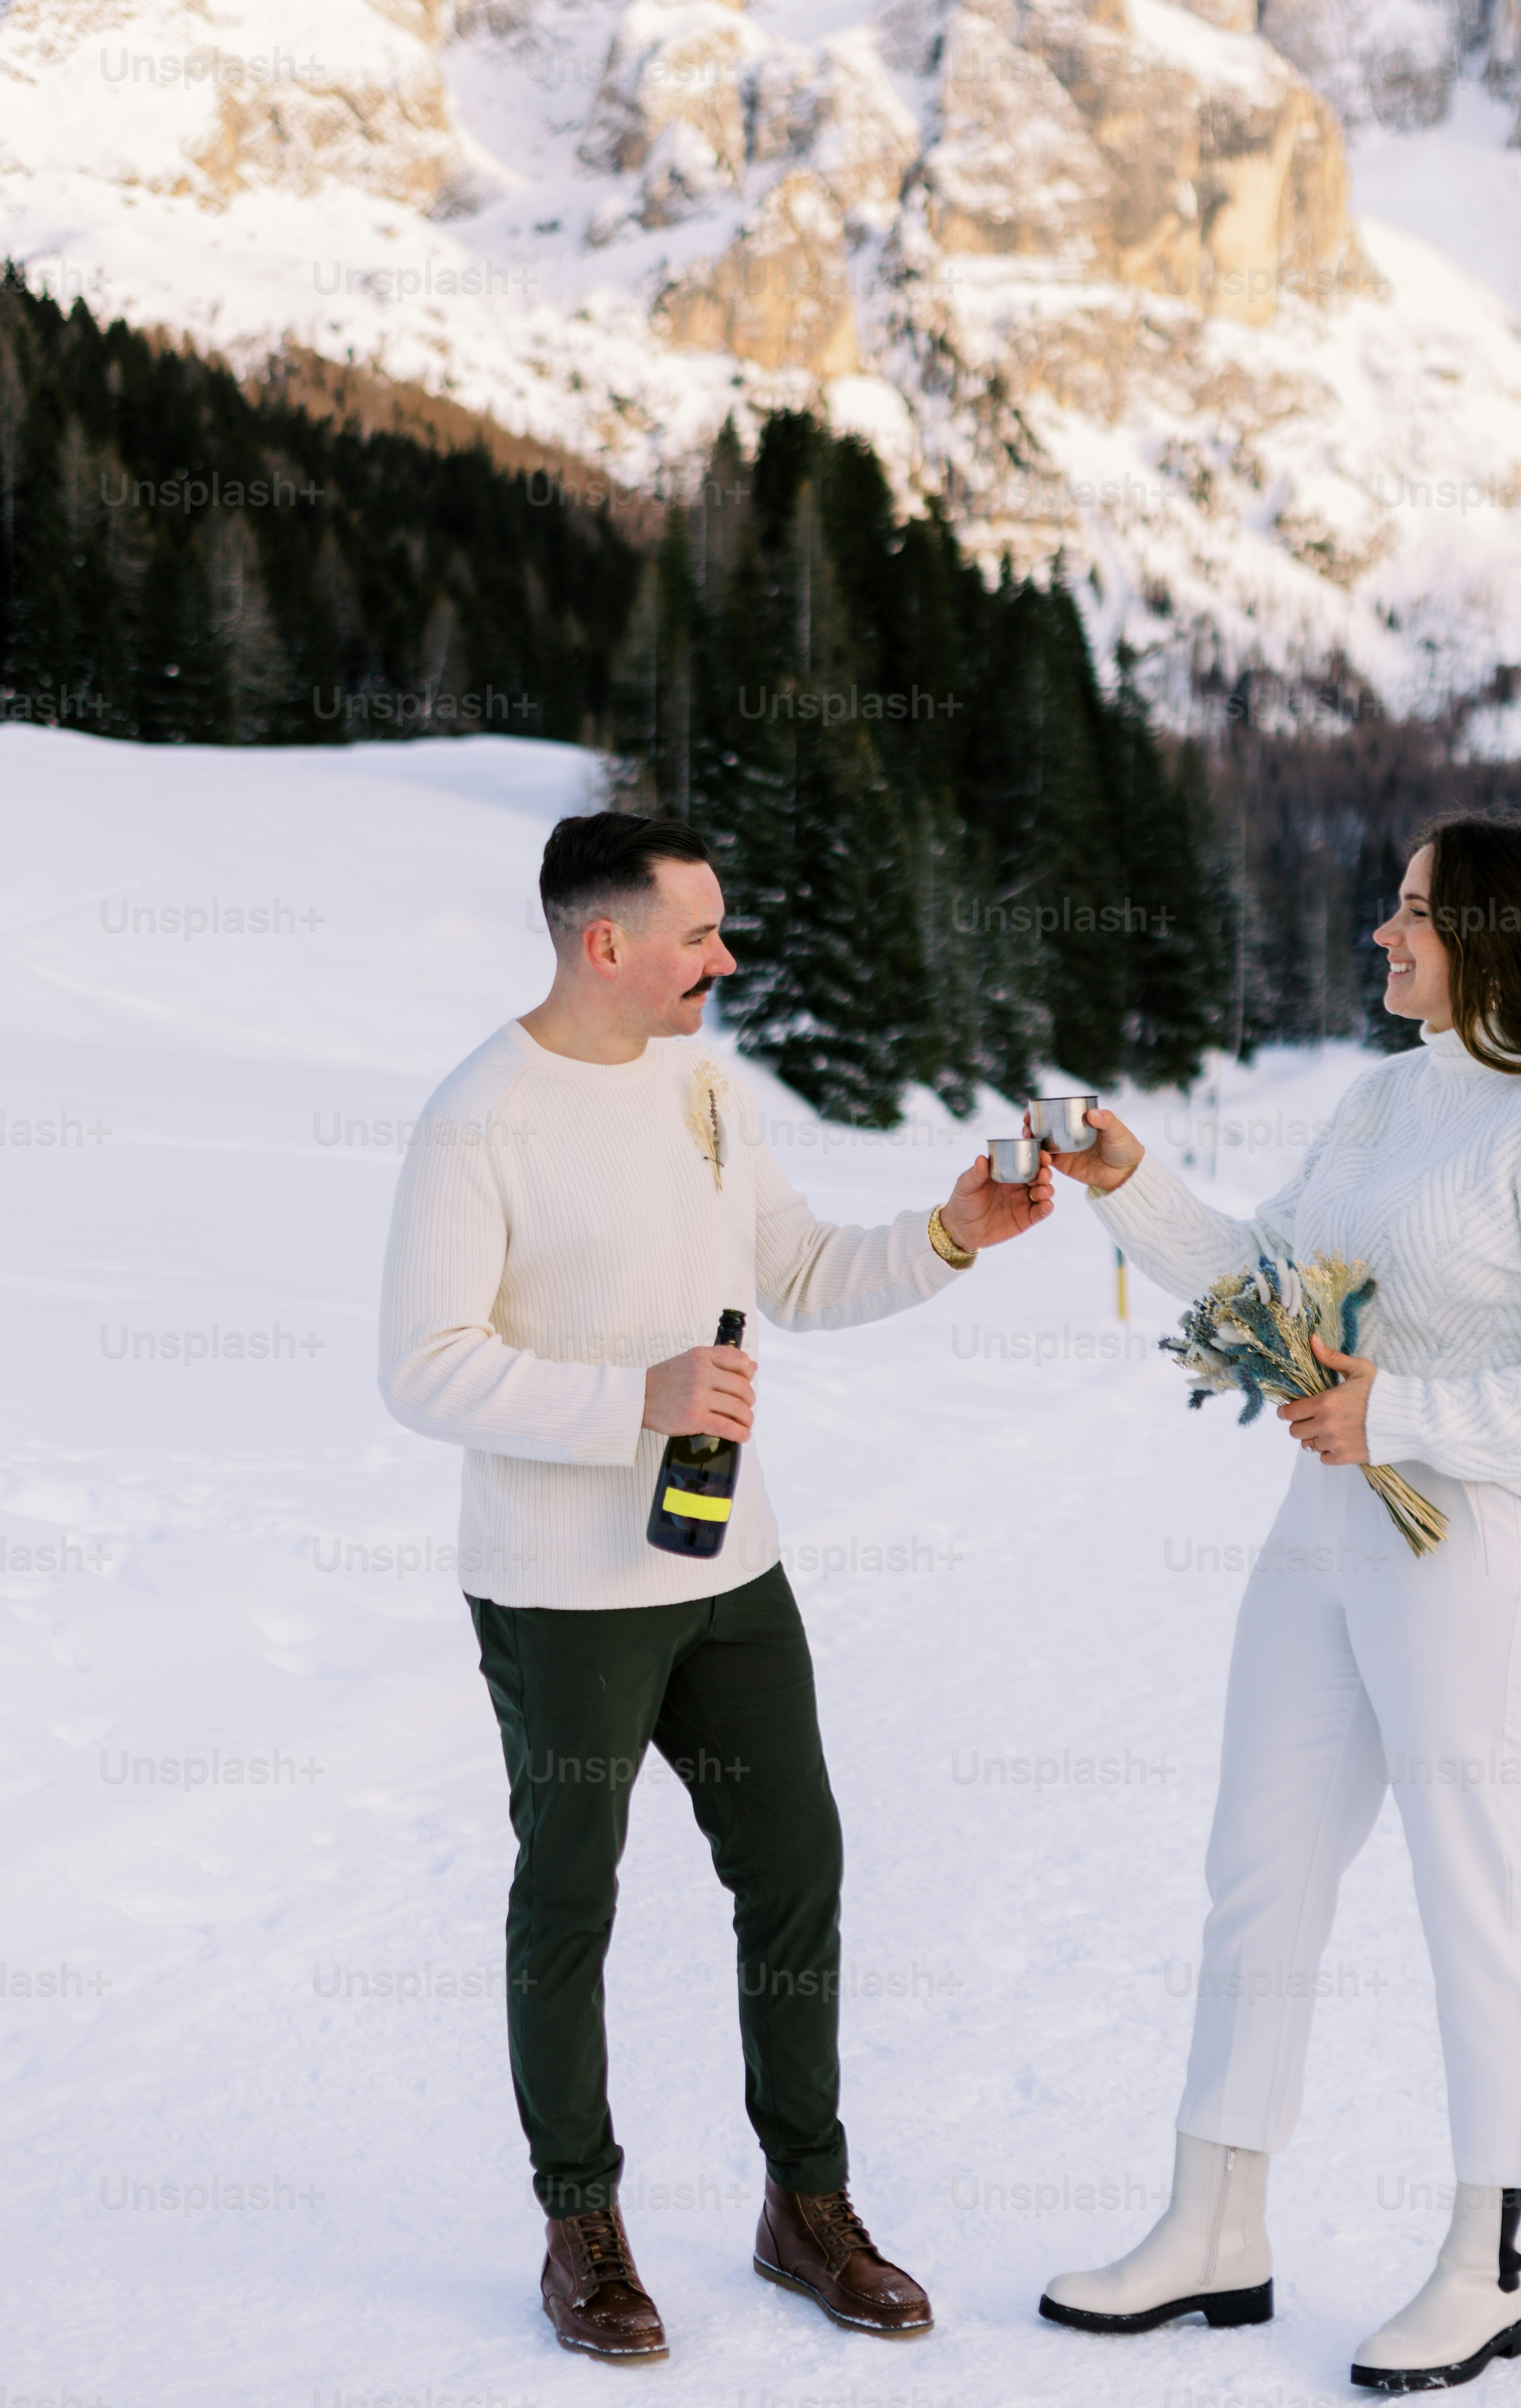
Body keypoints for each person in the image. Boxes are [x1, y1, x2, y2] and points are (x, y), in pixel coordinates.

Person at [377, 809, 1053, 2361]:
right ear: (607, 941)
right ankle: (581, 2229)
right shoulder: (478, 1117)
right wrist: (638, 1396)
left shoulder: (704, 1087)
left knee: (795, 1863)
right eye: (699, 934)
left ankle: (805, 2208)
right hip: (562, 1593)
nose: (726, 959)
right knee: (569, 1901)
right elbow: (421, 1368)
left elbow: (796, 1271)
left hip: (726, 1562)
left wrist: (951, 1234)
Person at [1032, 814, 1521, 2393]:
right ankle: (1215, 2227)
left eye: (1414, 911)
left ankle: (1488, 2268)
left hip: (1485, 1540)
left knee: (1473, 1886)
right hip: (1329, 1523)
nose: (1385, 934)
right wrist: (1129, 1181)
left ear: (1497, 935)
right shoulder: (1385, 1096)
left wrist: (1403, 1416)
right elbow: (1267, 1278)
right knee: (1256, 1865)